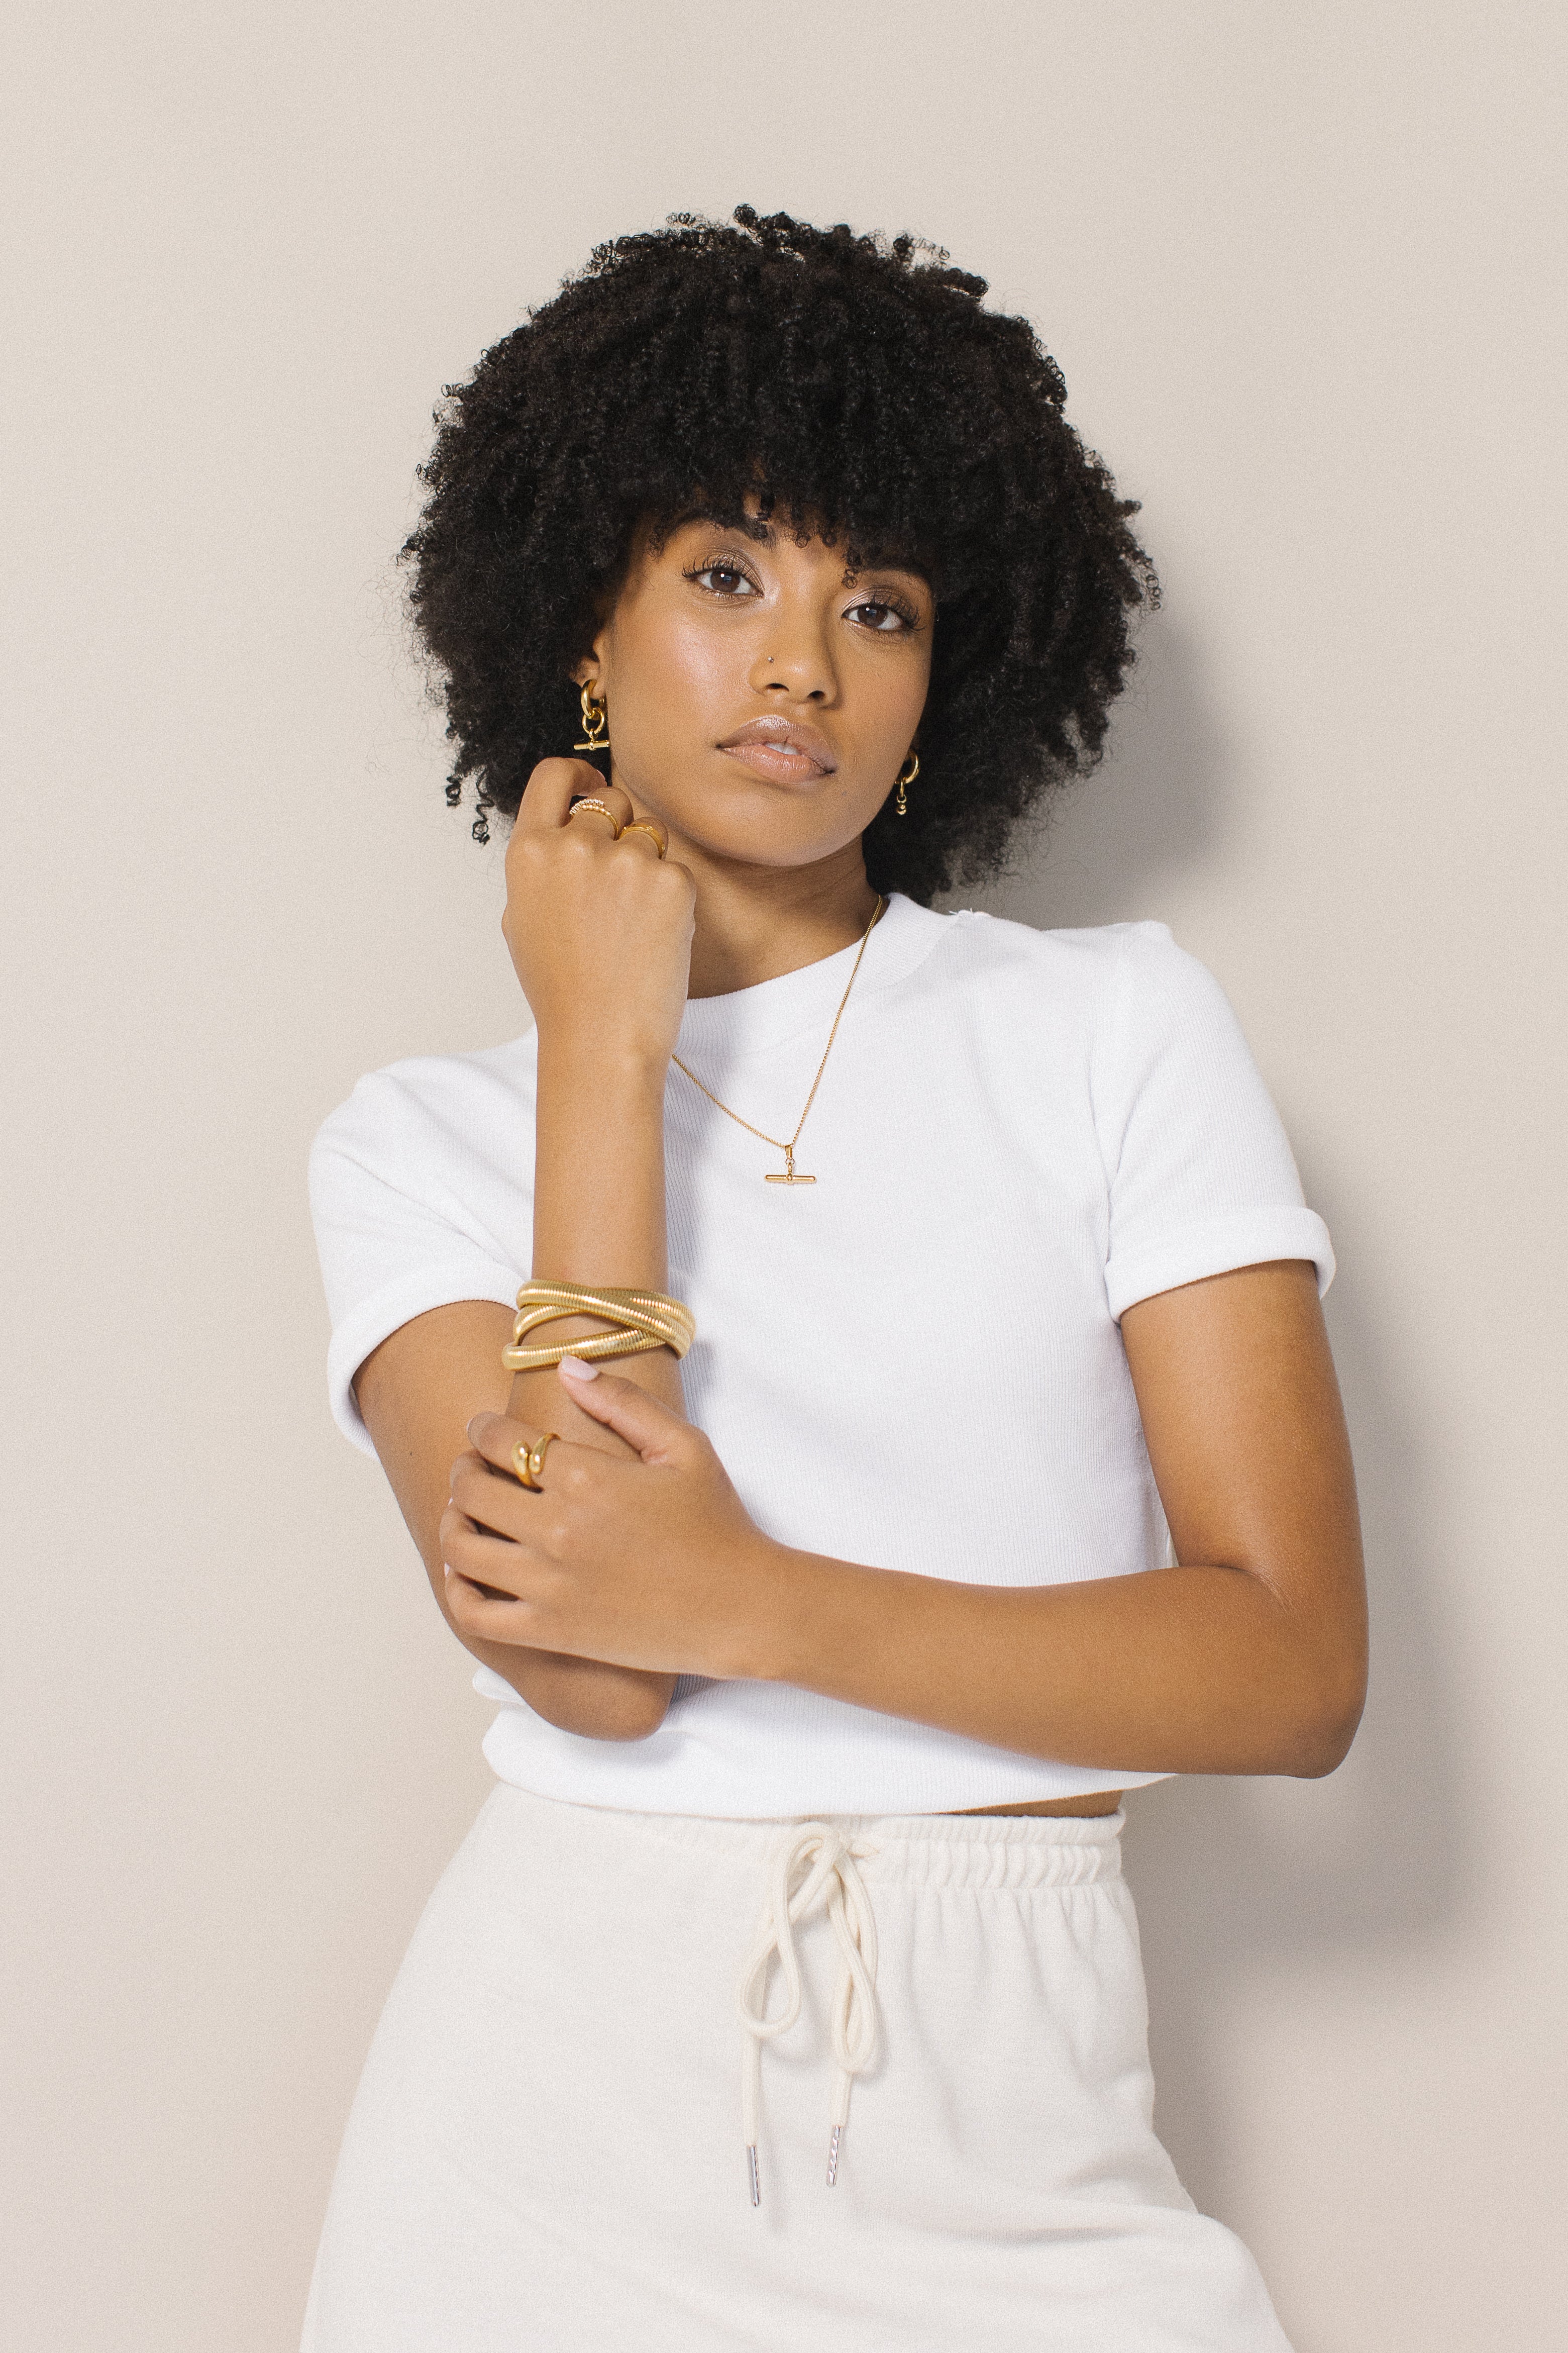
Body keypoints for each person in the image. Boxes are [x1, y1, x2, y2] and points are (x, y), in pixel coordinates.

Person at [301, 207, 1366, 2351]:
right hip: (550, 2123)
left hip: (1013, 2110)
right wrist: (604, 1056)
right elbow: (590, 1674)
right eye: (725, 576)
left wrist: (747, 1599)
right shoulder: (419, 1140)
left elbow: (1286, 1671)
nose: (801, 662)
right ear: (583, 632)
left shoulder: (1106, 1029)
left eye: (874, 605)